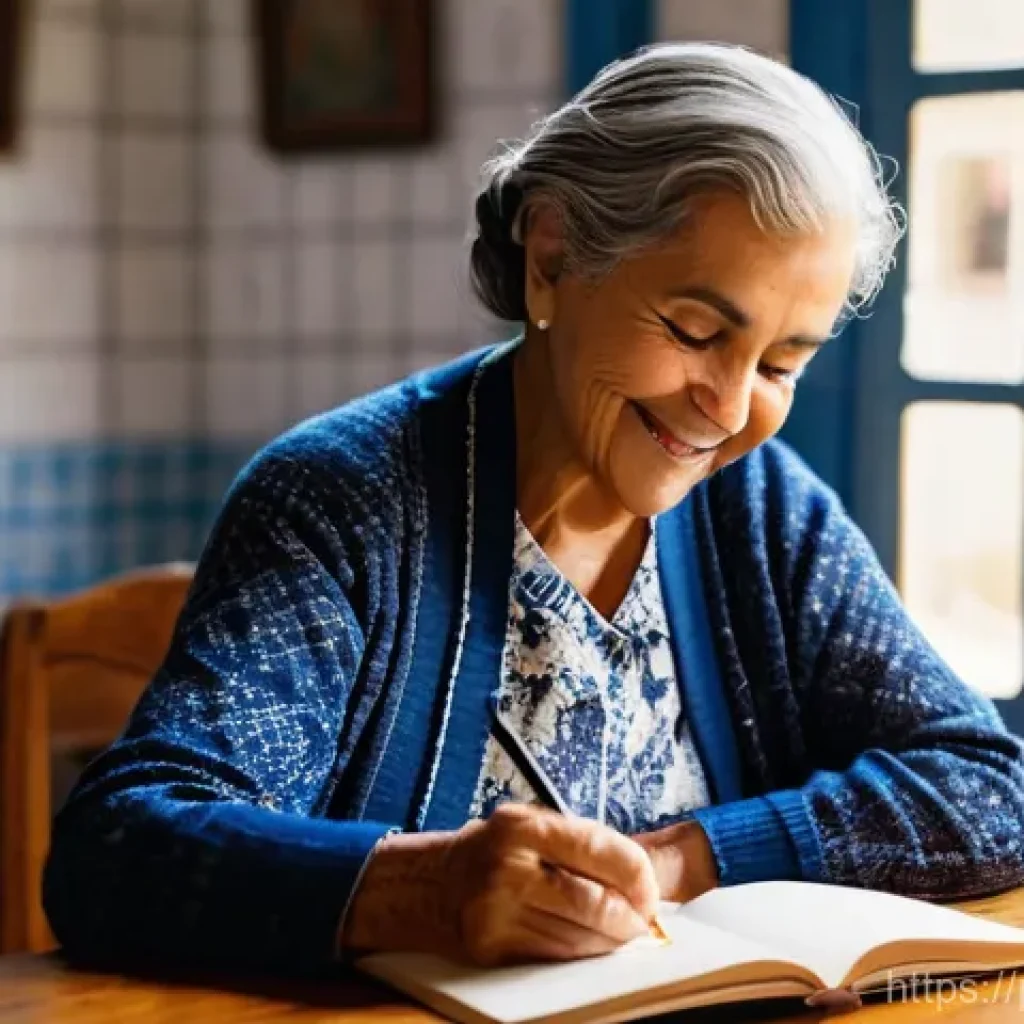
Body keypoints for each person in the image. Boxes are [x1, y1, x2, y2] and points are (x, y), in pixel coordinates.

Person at [44, 42, 1024, 974]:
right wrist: (419, 890)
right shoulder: (341, 503)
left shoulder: (757, 510)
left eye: (779, 364)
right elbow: (119, 848)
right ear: (552, 255)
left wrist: (685, 861)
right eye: (692, 330)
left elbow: (993, 789)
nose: (727, 409)